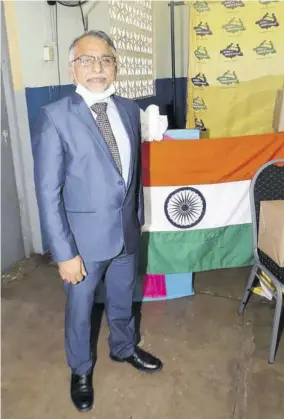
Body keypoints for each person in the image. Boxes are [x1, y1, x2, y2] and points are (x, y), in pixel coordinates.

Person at [32, 30, 162, 413]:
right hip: (82, 245)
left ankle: (123, 348)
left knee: (123, 298)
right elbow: (47, 193)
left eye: (105, 59)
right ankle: (81, 370)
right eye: (86, 60)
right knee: (80, 309)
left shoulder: (127, 109)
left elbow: (130, 174)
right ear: (72, 67)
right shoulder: (54, 117)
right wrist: (64, 253)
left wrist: (136, 218)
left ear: (116, 66)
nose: (97, 67)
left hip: (125, 233)